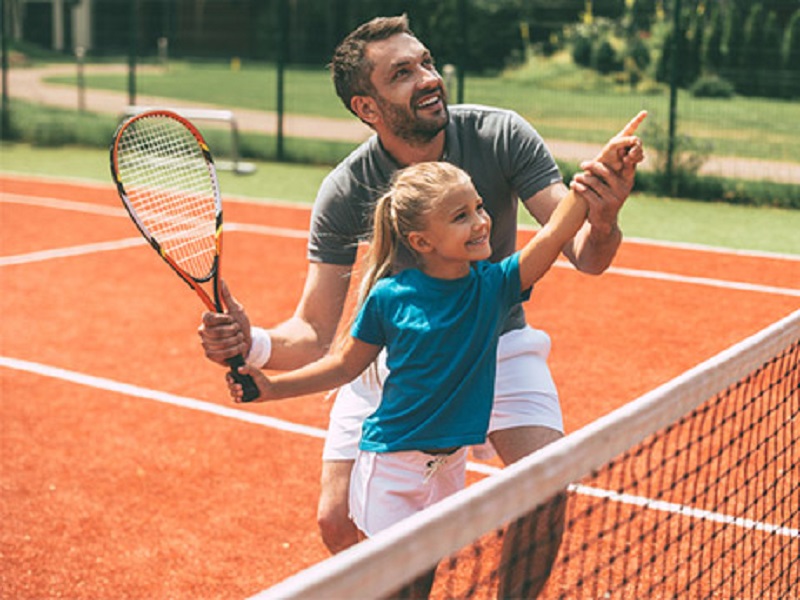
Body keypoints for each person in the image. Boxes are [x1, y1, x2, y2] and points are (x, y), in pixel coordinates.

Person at [199, 14, 645, 596]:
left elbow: (585, 252)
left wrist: (604, 216)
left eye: (427, 63)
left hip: (495, 336)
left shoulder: (500, 135)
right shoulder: (345, 189)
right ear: (367, 107)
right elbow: (314, 331)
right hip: (393, 351)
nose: (428, 78)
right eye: (403, 73)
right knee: (338, 524)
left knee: (545, 482)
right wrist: (251, 343)